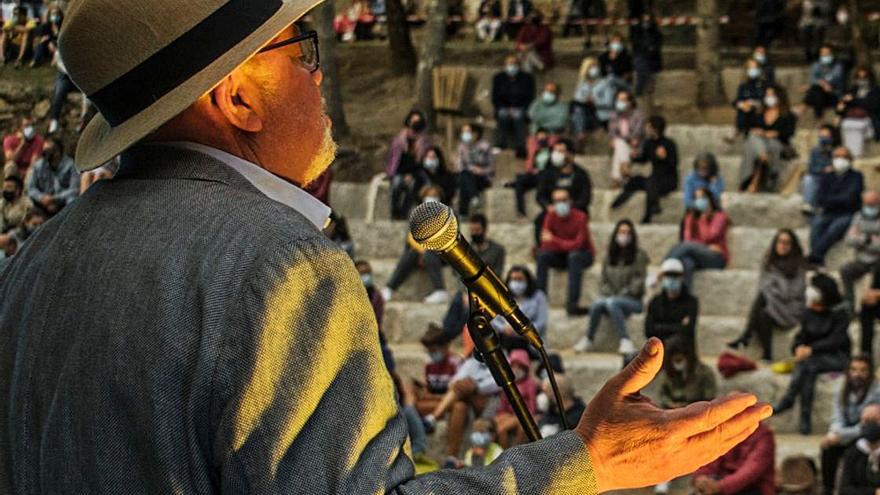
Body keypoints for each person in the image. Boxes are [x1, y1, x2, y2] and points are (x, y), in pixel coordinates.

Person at [0, 2, 774, 492]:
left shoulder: (32, 264)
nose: (319, 79)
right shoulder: (278, 265)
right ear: (238, 98)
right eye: (303, 51)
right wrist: (587, 462)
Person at [775, 273, 851, 434]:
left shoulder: (840, 313)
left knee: (807, 364)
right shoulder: (808, 312)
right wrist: (798, 347)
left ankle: (789, 400)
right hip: (812, 360)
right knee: (808, 368)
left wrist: (811, 349)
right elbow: (801, 336)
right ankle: (804, 419)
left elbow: (836, 341)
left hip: (837, 357)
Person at [728, 229, 807, 361]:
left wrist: (775, 288)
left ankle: (746, 336)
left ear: (792, 246)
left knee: (763, 297)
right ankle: (767, 354)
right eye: (780, 242)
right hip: (772, 305)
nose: (783, 246)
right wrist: (775, 290)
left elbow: (794, 292)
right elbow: (763, 285)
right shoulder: (768, 262)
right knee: (763, 313)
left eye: (787, 243)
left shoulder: (798, 265)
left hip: (791, 309)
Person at [577, 219, 648, 355]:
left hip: (632, 301)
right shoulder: (609, 256)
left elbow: (638, 282)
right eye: (621, 232)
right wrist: (610, 293)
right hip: (611, 298)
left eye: (627, 232)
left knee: (612, 302)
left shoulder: (639, 256)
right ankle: (588, 338)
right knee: (598, 303)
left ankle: (626, 340)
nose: (624, 235)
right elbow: (603, 281)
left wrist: (620, 295)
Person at [440, 214, 508, 341]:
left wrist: (475, 293)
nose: (474, 233)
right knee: (456, 303)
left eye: (477, 230)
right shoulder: (465, 248)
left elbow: (495, 275)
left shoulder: (498, 250)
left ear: (484, 230)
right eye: (472, 231)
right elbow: (459, 273)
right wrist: (465, 293)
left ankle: (448, 337)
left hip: (486, 292)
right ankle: (444, 332)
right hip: (467, 289)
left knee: (470, 311)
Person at [820, 355, 880, 495]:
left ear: (869, 372)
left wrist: (841, 435)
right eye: (853, 370)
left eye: (863, 370)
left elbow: (867, 426)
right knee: (828, 448)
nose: (857, 374)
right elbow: (837, 417)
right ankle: (827, 489)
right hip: (846, 433)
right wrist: (834, 434)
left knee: (854, 452)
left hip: (865, 436)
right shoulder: (841, 389)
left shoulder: (876, 392)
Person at [382, 186, 449, 304]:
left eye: (435, 196)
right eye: (429, 195)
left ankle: (440, 290)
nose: (432, 198)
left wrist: (425, 251)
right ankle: (390, 288)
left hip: (441, 254)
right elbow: (412, 237)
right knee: (411, 253)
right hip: (422, 252)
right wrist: (422, 252)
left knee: (429, 253)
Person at [536, 188, 596, 316]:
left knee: (574, 256)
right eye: (557, 201)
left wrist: (555, 240)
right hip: (562, 255)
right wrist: (564, 244)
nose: (560, 204)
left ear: (570, 201)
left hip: (584, 255)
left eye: (564, 200)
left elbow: (578, 245)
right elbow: (545, 243)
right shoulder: (550, 216)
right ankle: (540, 300)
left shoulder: (581, 217)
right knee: (542, 256)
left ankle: (572, 304)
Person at [611, 115, 678, 223]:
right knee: (636, 181)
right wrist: (634, 157)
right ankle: (618, 202)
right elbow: (644, 159)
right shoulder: (649, 143)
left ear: (655, 128)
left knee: (651, 183)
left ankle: (649, 214)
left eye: (649, 126)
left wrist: (664, 158)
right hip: (654, 178)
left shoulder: (669, 144)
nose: (647, 129)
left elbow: (674, 163)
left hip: (668, 180)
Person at [808, 146, 865, 266]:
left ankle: (815, 256)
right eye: (837, 156)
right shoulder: (827, 176)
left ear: (849, 159)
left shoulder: (856, 176)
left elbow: (850, 198)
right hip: (828, 212)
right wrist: (838, 199)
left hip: (847, 213)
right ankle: (817, 258)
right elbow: (820, 198)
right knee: (816, 225)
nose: (840, 159)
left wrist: (831, 200)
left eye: (843, 157)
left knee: (835, 228)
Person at [666, 188, 729, 290]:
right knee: (687, 263)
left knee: (688, 247)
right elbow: (687, 240)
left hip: (716, 258)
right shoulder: (693, 217)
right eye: (697, 198)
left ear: (710, 199)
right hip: (697, 255)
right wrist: (689, 220)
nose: (700, 201)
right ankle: (686, 300)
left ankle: (665, 267)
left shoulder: (720, 216)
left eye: (703, 197)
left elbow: (708, 236)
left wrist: (702, 219)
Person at [692, 420, 776, 495]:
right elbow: (709, 460)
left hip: (754, 487)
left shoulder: (764, 436)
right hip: (720, 483)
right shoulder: (725, 431)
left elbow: (750, 472)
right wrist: (702, 479)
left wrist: (719, 487)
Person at [740, 85, 797, 193]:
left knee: (764, 145)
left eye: (771, 95)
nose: (769, 97)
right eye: (767, 95)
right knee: (752, 137)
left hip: (778, 143)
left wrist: (776, 133)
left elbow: (790, 132)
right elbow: (747, 128)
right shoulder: (759, 113)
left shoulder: (788, 115)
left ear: (779, 97)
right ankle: (764, 157)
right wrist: (756, 129)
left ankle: (751, 181)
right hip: (759, 142)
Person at [534, 139, 592, 239]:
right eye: (555, 151)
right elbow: (540, 195)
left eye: (561, 151)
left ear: (570, 154)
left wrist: (572, 207)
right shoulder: (548, 173)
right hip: (553, 211)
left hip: (575, 211)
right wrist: (548, 206)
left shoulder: (581, 174)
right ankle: (542, 249)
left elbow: (585, 197)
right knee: (540, 220)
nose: (557, 155)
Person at [645, 258, 699, 353]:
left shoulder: (691, 302)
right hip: (658, 351)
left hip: (682, 353)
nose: (672, 279)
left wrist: (659, 327)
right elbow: (648, 330)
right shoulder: (655, 302)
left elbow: (688, 331)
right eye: (668, 276)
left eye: (675, 276)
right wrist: (678, 326)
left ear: (682, 278)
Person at [387, 109, 433, 220]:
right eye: (413, 121)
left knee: (412, 186)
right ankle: (395, 212)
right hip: (400, 170)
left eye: (418, 121)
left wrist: (411, 174)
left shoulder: (424, 141)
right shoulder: (400, 140)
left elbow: (422, 162)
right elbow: (395, 159)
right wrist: (397, 173)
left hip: (416, 172)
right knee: (397, 185)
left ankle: (403, 212)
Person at [491, 265, 548, 351]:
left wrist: (521, 331)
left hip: (530, 341)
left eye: (520, 279)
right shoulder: (502, 297)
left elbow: (541, 322)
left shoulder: (539, 297)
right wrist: (503, 328)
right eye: (513, 279)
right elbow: (494, 319)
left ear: (527, 280)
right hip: (506, 339)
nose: (516, 283)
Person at [840, 191, 880, 310]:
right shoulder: (858, 217)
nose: (870, 207)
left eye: (872, 204)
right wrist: (867, 239)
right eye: (867, 204)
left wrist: (860, 238)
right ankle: (849, 306)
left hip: (878, 261)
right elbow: (848, 240)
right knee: (845, 270)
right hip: (862, 261)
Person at [412, 323, 461, 417]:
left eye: (434, 350)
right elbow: (427, 390)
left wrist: (431, 397)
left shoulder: (456, 363)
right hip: (435, 401)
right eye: (428, 351)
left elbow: (455, 395)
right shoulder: (429, 364)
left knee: (458, 406)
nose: (431, 354)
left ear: (445, 347)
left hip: (449, 403)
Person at [494, 349, 539, 448]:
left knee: (502, 429)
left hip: (523, 414)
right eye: (513, 366)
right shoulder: (508, 384)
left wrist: (515, 417)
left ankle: (510, 454)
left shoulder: (530, 383)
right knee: (498, 425)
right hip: (509, 415)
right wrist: (503, 415)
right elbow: (502, 405)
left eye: (519, 366)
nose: (516, 370)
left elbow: (532, 407)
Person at [492, 56, 535, 158]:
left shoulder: (527, 78)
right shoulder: (498, 78)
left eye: (514, 64)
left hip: (521, 107)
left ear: (519, 65)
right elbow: (495, 97)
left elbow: (530, 97)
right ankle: (501, 143)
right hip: (503, 107)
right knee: (502, 115)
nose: (511, 66)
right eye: (509, 64)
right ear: (505, 65)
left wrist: (518, 108)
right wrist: (505, 108)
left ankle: (520, 147)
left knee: (518, 116)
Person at [26, 137, 79, 217]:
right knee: (29, 203)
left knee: (72, 200)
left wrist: (54, 199)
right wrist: (41, 198)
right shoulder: (38, 166)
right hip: (44, 201)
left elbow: (74, 190)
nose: (45, 153)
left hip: (63, 201)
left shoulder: (70, 165)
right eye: (44, 150)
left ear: (57, 152)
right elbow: (31, 189)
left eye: (48, 150)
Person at [659, 335, 716, 410]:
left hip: (698, 412)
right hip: (673, 412)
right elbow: (663, 395)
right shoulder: (668, 373)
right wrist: (671, 404)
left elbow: (710, 397)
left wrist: (688, 406)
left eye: (680, 360)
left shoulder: (704, 372)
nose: (678, 364)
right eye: (676, 360)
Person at [837, 67, 880, 158]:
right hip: (851, 117)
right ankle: (848, 153)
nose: (861, 80)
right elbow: (845, 104)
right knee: (845, 124)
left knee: (858, 127)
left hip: (868, 118)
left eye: (864, 77)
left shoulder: (876, 90)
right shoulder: (853, 90)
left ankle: (857, 153)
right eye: (859, 77)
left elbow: (872, 105)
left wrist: (854, 100)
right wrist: (840, 107)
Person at [525, 82, 568, 171]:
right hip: (536, 134)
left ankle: (547, 171)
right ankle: (530, 171)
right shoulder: (537, 103)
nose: (548, 93)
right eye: (546, 91)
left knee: (550, 147)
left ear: (557, 94)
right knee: (532, 147)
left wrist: (543, 127)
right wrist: (541, 130)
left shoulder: (562, 107)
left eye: (551, 92)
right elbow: (531, 115)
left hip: (553, 134)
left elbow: (560, 122)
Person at [838, 404, 880, 494]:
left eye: (873, 420)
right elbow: (845, 489)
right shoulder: (853, 452)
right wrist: (874, 492)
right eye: (865, 421)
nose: (868, 425)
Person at [608, 89, 645, 187]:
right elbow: (613, 132)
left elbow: (638, 133)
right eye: (619, 99)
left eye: (623, 100)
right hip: (621, 144)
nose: (620, 102)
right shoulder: (614, 114)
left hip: (635, 144)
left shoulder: (638, 114)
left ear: (630, 102)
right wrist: (614, 139)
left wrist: (630, 141)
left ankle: (616, 178)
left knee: (619, 145)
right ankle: (624, 166)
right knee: (619, 142)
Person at [457, 123, 494, 216]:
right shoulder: (462, 146)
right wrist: (470, 168)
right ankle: (474, 197)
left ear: (476, 133)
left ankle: (463, 212)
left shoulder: (485, 146)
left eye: (468, 131)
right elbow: (460, 165)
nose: (466, 134)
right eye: (464, 132)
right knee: (464, 175)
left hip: (482, 177)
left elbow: (492, 167)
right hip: (467, 175)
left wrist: (480, 171)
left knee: (464, 178)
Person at [730, 58, 770, 141]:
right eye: (750, 68)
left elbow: (766, 100)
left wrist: (752, 103)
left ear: (758, 69)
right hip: (746, 113)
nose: (752, 70)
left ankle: (736, 132)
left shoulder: (764, 84)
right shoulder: (743, 85)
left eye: (754, 68)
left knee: (749, 109)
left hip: (759, 112)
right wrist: (741, 104)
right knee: (744, 109)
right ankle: (739, 131)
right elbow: (736, 101)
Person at [536, 373, 586, 438]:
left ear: (557, 393)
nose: (542, 396)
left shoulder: (579, 417)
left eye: (545, 392)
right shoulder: (549, 414)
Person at [803, 45, 845, 120]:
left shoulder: (838, 66)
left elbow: (835, 78)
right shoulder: (816, 64)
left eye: (827, 53)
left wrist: (815, 84)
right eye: (823, 54)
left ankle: (807, 107)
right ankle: (819, 118)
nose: (825, 56)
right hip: (820, 92)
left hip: (833, 93)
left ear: (832, 54)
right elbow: (812, 78)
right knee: (817, 91)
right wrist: (822, 83)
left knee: (814, 90)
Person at [801, 123, 836, 213]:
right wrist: (822, 170)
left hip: (831, 178)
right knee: (808, 179)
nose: (823, 137)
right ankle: (807, 204)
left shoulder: (836, 151)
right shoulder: (815, 151)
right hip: (817, 176)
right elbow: (811, 167)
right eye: (821, 135)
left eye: (826, 135)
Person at [629, 12, 662, 97]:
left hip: (652, 59)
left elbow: (657, 46)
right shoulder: (637, 32)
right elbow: (635, 45)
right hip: (640, 57)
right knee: (642, 66)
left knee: (645, 69)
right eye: (644, 20)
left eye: (648, 21)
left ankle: (638, 91)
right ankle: (639, 90)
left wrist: (651, 49)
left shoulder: (656, 32)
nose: (646, 23)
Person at [570, 57, 604, 142]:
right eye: (591, 66)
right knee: (577, 111)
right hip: (585, 107)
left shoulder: (602, 81)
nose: (594, 69)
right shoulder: (582, 82)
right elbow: (578, 97)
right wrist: (587, 98)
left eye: (595, 66)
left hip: (597, 108)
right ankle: (580, 133)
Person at [31, 3, 62, 67]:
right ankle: (35, 60)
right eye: (53, 14)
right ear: (49, 15)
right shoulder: (45, 25)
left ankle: (55, 59)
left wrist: (56, 32)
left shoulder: (62, 25)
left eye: (57, 13)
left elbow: (61, 38)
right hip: (47, 42)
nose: (55, 16)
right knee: (41, 43)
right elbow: (39, 37)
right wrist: (43, 39)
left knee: (54, 43)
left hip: (58, 42)